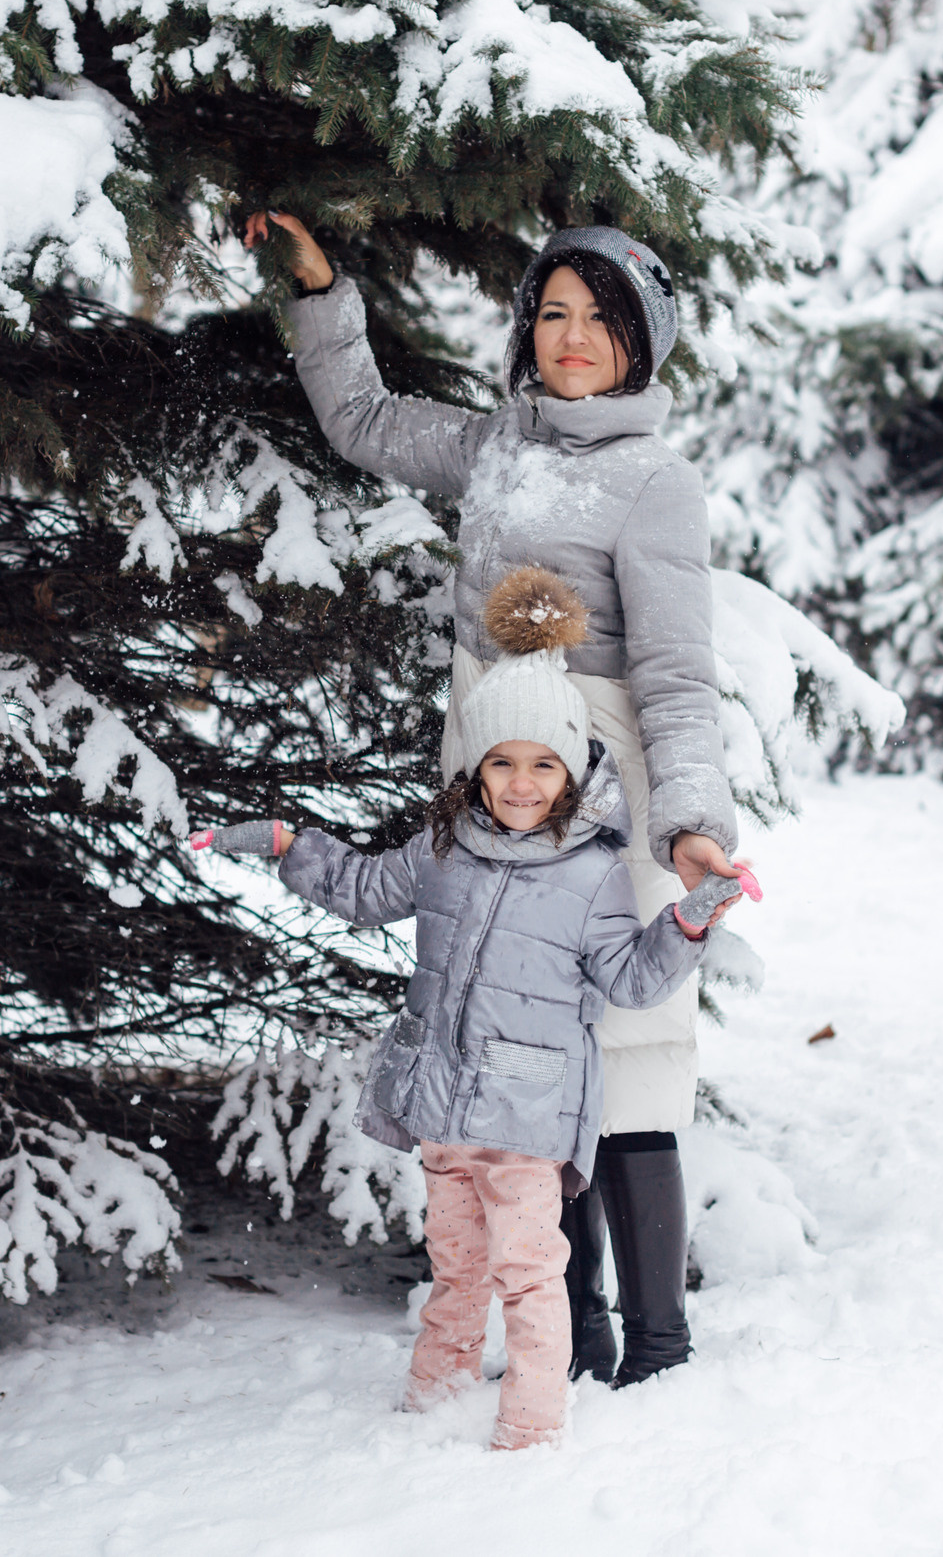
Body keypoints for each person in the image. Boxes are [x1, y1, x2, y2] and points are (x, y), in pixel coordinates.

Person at [243, 209, 735, 1386]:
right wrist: (322, 296)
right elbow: (361, 422)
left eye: (600, 321)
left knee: (627, 1051)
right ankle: (575, 1337)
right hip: (489, 774)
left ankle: (657, 1346)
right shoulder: (494, 447)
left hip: (603, 785)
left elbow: (674, 674)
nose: (571, 339)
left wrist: (693, 826)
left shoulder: (652, 482)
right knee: (515, 1048)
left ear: (641, 345)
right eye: (552, 314)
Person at [192, 570, 742, 1450]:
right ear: (477, 767)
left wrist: (689, 917)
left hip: (527, 1119)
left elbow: (631, 980)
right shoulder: (441, 851)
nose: (520, 783)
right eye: (501, 762)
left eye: (542, 764)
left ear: (568, 772)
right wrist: (293, 846)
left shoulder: (592, 871)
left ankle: (530, 1426)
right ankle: (434, 1399)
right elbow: (364, 888)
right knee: (455, 1271)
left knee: (530, 1275)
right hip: (445, 1108)